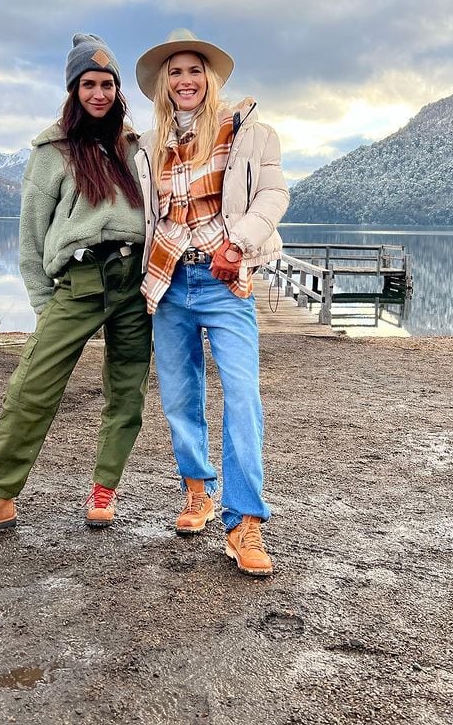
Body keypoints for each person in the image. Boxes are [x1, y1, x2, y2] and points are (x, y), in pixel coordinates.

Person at [0, 34, 151, 544]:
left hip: (134, 281)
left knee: (127, 389)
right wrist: (42, 301)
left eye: (107, 83)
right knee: (32, 387)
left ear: (119, 90)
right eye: (88, 84)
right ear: (74, 90)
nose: (99, 93)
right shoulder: (52, 149)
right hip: (76, 281)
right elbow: (31, 236)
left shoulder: (134, 146)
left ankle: (104, 488)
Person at [134, 29, 289, 576]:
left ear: (210, 78)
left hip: (225, 279)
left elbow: (274, 194)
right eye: (174, 72)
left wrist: (238, 242)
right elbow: (149, 216)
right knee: (180, 395)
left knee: (242, 395)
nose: (185, 80)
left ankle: (245, 521)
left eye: (194, 70)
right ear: (164, 84)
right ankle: (197, 492)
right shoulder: (148, 146)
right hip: (170, 281)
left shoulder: (248, 132)